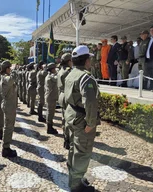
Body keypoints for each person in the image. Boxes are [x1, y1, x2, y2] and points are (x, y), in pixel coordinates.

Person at [64, 45, 100, 192]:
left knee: (74, 149)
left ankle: (74, 178)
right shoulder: (86, 77)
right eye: (89, 59)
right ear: (86, 60)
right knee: (82, 151)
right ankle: (76, 186)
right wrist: (91, 123)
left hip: (71, 115)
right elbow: (90, 102)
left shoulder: (71, 74)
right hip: (81, 118)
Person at [0, 61, 17, 158]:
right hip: (8, 105)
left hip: (10, 104)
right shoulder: (5, 78)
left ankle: (6, 146)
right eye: (10, 68)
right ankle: (6, 148)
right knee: (8, 127)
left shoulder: (6, 77)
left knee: (9, 126)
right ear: (6, 69)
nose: (11, 69)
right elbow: (11, 79)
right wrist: (14, 70)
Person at [57, 53, 73, 150]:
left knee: (64, 118)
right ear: (69, 61)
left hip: (61, 95)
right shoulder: (68, 72)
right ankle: (69, 140)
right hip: (67, 95)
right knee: (69, 119)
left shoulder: (60, 70)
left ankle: (66, 139)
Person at [44, 63, 59, 135]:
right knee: (50, 113)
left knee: (50, 112)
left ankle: (50, 126)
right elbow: (57, 79)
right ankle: (49, 128)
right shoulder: (50, 76)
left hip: (50, 96)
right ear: (52, 69)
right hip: (50, 97)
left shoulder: (49, 75)